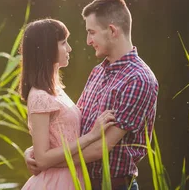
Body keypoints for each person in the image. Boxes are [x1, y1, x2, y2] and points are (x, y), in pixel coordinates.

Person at [24, 0, 159, 190]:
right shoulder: (98, 71)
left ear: (112, 31)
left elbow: (99, 149)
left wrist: (44, 162)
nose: (87, 41)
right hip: (78, 181)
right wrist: (35, 151)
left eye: (92, 32)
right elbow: (73, 128)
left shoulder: (137, 79)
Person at [19, 18, 116, 189]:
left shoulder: (55, 90)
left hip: (71, 178)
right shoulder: (40, 96)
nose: (69, 48)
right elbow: (43, 158)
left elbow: (54, 139)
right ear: (47, 50)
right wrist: (92, 136)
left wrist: (30, 151)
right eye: (63, 43)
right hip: (56, 182)